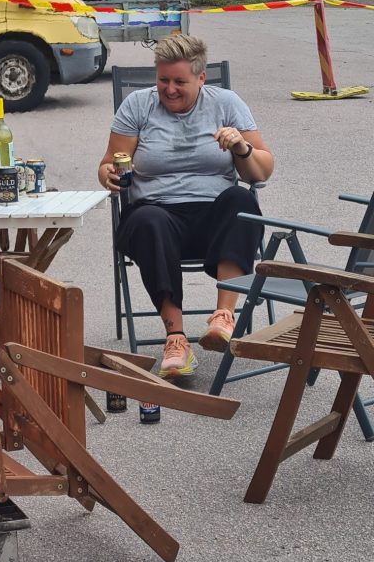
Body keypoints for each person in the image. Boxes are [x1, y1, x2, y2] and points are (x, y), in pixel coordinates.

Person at [97, 35, 274, 379]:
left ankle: (223, 318)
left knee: (242, 199)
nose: (170, 89)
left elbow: (262, 171)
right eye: (163, 80)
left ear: (201, 78)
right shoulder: (137, 105)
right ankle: (175, 338)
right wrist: (109, 174)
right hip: (157, 215)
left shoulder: (226, 103)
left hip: (214, 220)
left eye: (180, 81)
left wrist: (240, 147)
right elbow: (108, 163)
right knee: (148, 219)